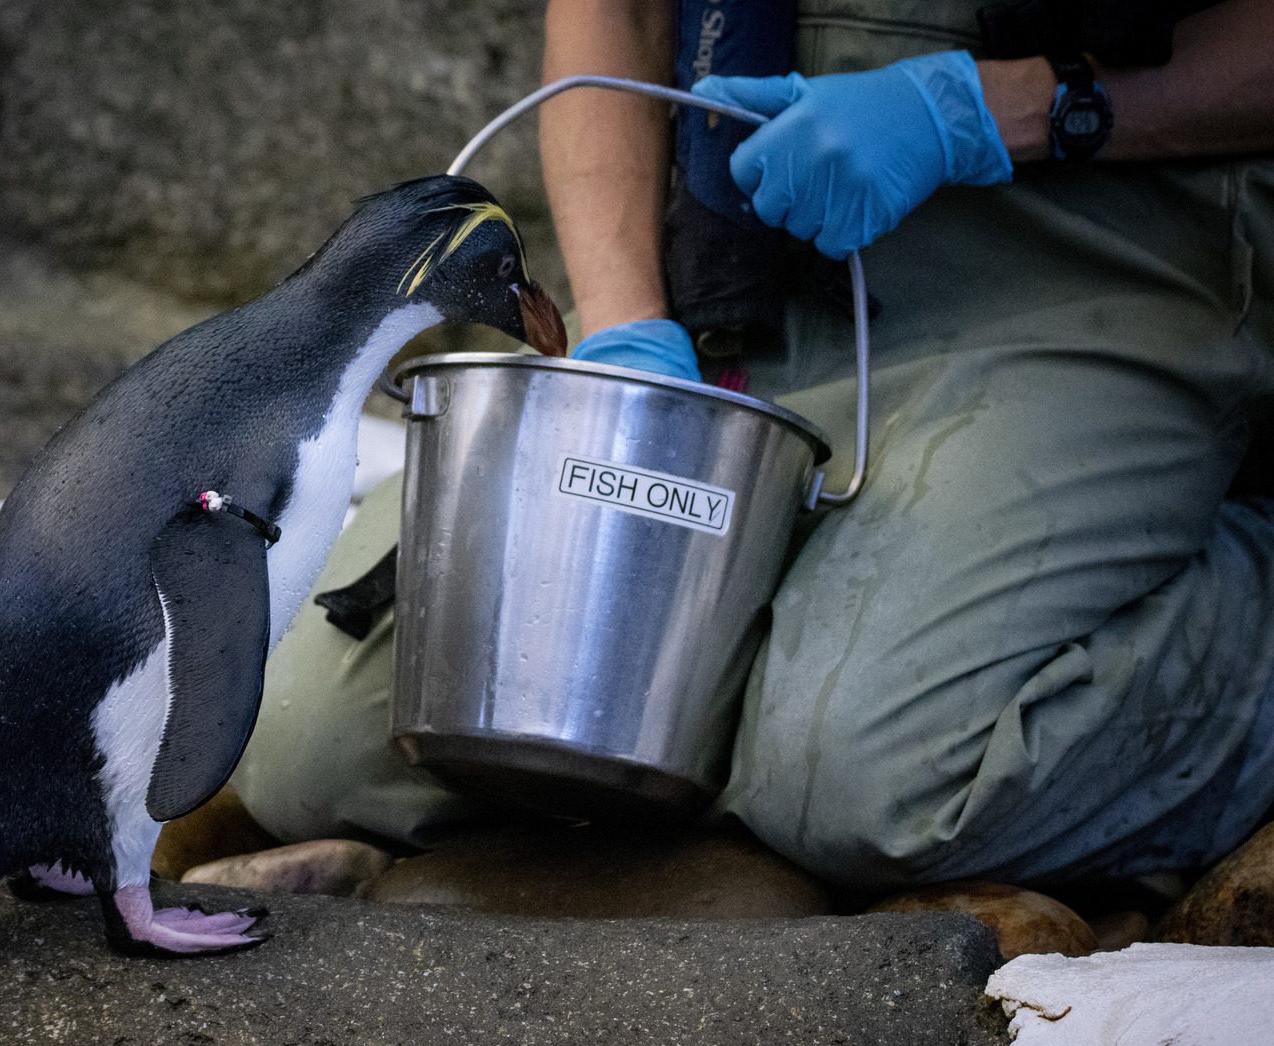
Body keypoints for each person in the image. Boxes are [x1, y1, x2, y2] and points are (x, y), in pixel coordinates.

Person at [230, 0, 1274, 890]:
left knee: (879, 785)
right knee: (307, 743)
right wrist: (625, 327)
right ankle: (768, 724)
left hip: (1085, 270)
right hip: (739, 273)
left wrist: (991, 110)